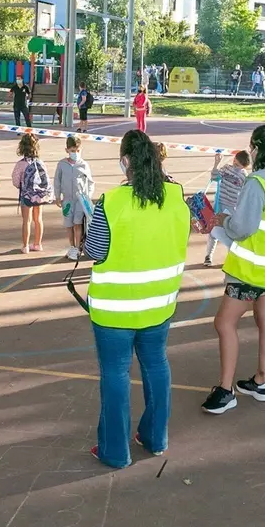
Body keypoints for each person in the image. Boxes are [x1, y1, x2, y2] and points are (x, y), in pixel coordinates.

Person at [82, 129, 188, 467]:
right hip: (159, 303)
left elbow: (95, 251)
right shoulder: (176, 195)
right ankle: (156, 437)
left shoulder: (112, 201)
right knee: (156, 364)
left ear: (125, 161)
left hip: (115, 309)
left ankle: (115, 451)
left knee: (115, 373)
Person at [201, 121, 265, 415]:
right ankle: (261, 381)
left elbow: (242, 228)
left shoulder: (257, 183)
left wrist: (223, 221)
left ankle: (225, 390)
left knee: (224, 323)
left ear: (257, 149)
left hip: (250, 270)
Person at [204, 150, 250, 267]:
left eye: (238, 165)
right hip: (220, 203)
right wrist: (216, 164)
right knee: (212, 228)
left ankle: (232, 257)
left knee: (231, 230)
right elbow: (215, 177)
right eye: (234, 161)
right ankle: (208, 256)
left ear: (244, 166)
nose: (235, 165)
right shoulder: (226, 168)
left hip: (232, 206)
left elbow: (245, 193)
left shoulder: (244, 176)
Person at [54, 136, 95, 261]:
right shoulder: (62, 164)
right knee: (69, 224)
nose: (75, 153)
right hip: (67, 200)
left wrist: (87, 197)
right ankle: (71, 246)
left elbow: (90, 182)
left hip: (80, 200)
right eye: (73, 151)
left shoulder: (83, 165)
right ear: (67, 150)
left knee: (78, 223)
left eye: (77, 150)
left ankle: (77, 248)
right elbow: (57, 181)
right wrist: (57, 196)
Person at [12, 134, 52, 254]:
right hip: (39, 195)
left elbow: (15, 181)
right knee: (38, 219)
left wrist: (21, 186)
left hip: (26, 195)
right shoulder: (40, 162)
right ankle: (38, 244)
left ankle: (25, 246)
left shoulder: (20, 164)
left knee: (26, 220)